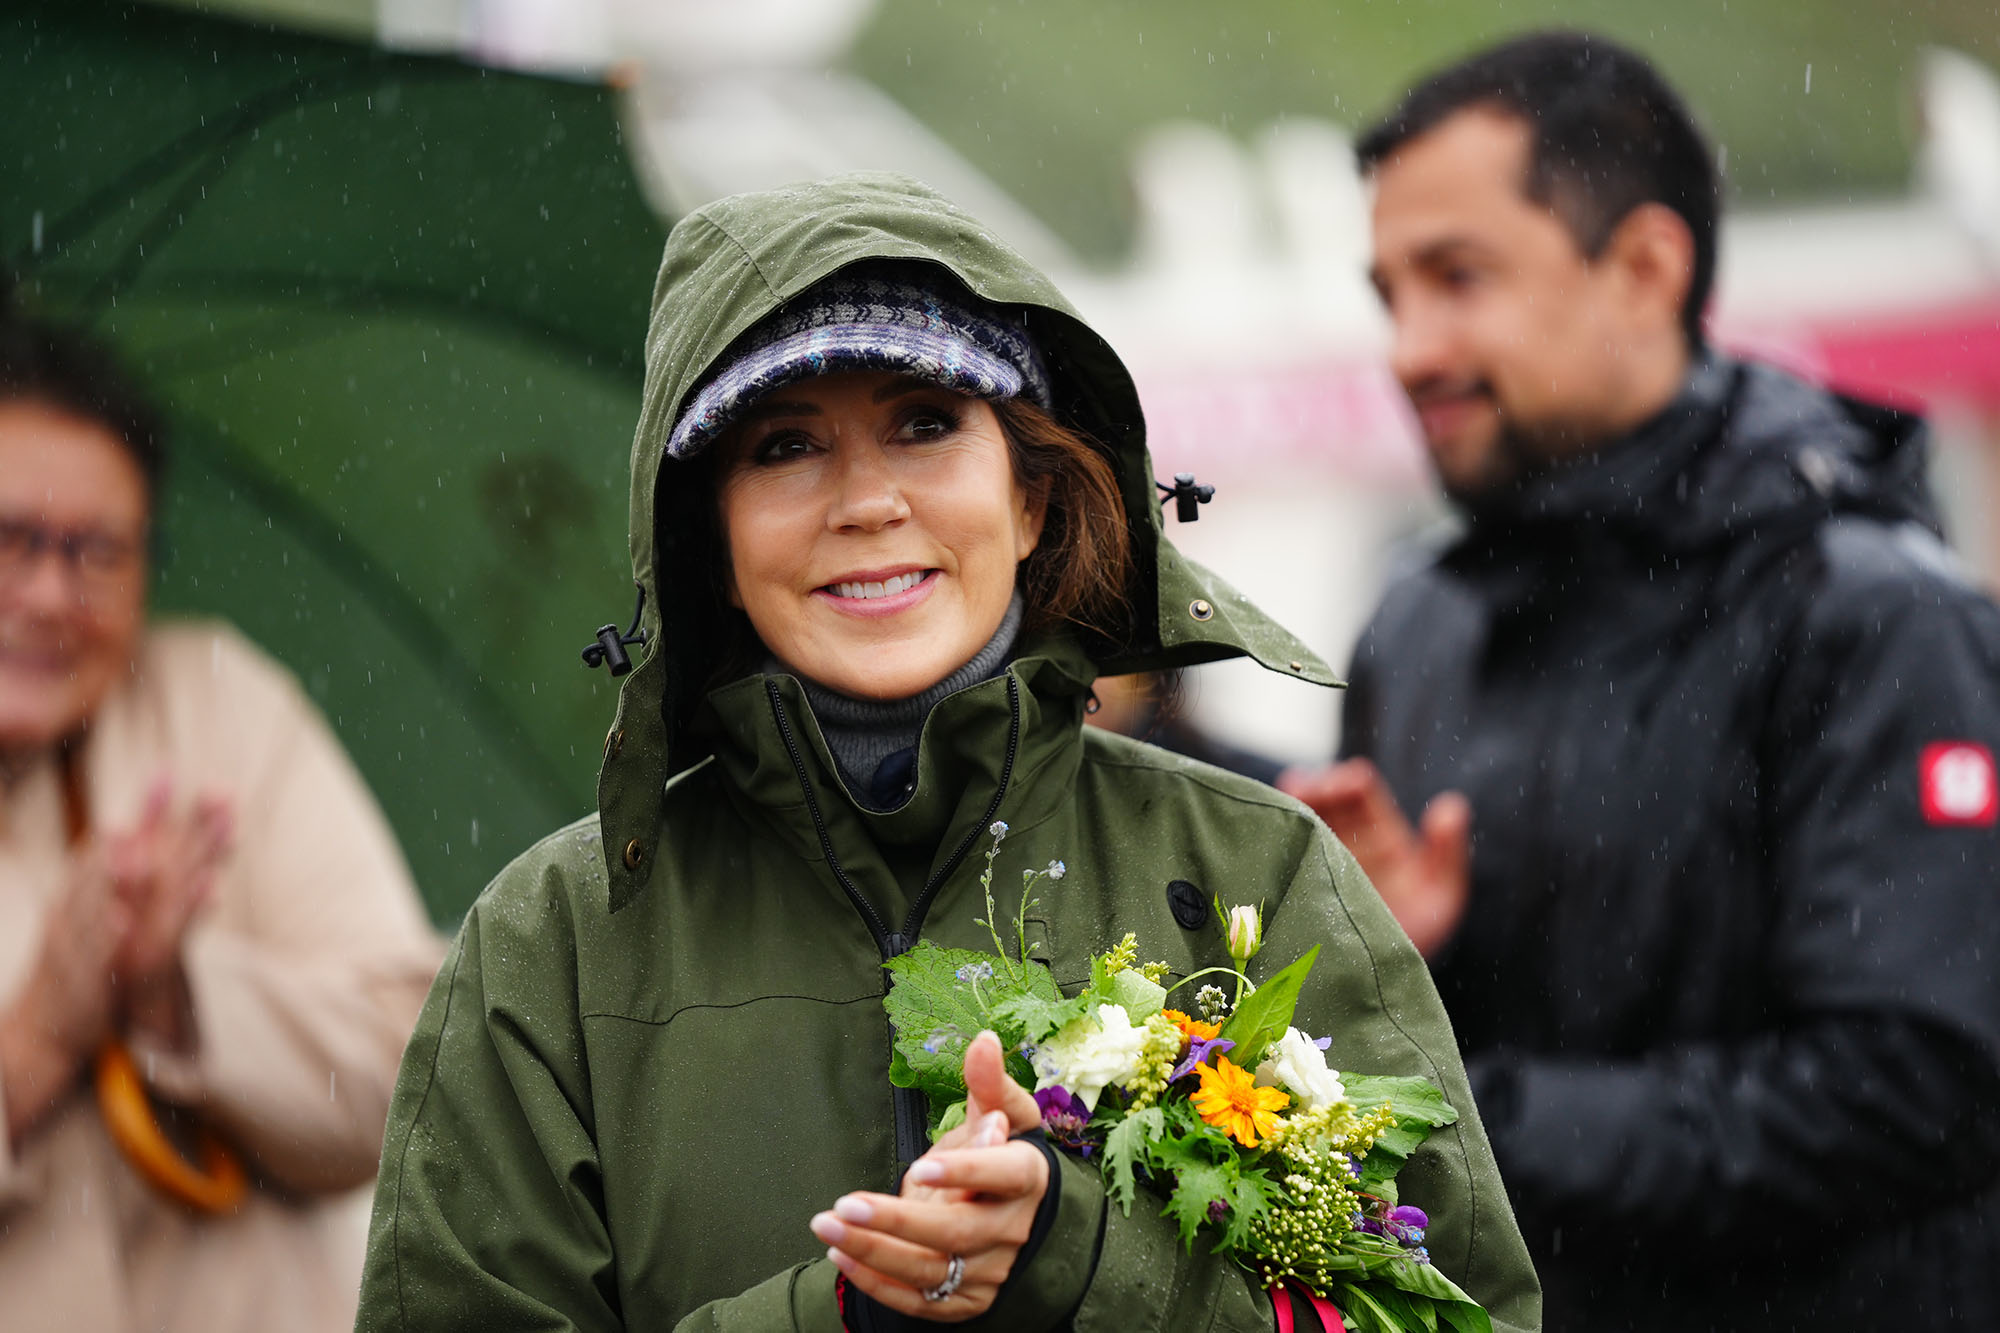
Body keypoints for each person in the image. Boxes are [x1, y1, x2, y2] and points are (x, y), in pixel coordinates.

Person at [354, 172, 1542, 1332]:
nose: (866, 500)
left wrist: (1078, 1262)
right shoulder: (552, 948)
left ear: (1028, 501)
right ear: (706, 538)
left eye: (926, 425)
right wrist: (852, 1306)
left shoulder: (1259, 873)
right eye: (781, 446)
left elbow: (1448, 1310)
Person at [1279, 31, 2000, 1333]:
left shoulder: (1876, 615)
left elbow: (1914, 1092)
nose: (1410, 347)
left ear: (1648, 267)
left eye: (1460, 278)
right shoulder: (1416, 625)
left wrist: (1447, 1110)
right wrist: (1388, 971)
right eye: (1390, 293)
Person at [0, 317, 443, 1331]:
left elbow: (413, 1070)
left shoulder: (220, 703)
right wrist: (33, 1042)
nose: (47, 594)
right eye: (9, 536)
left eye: (98, 551)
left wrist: (174, 996)